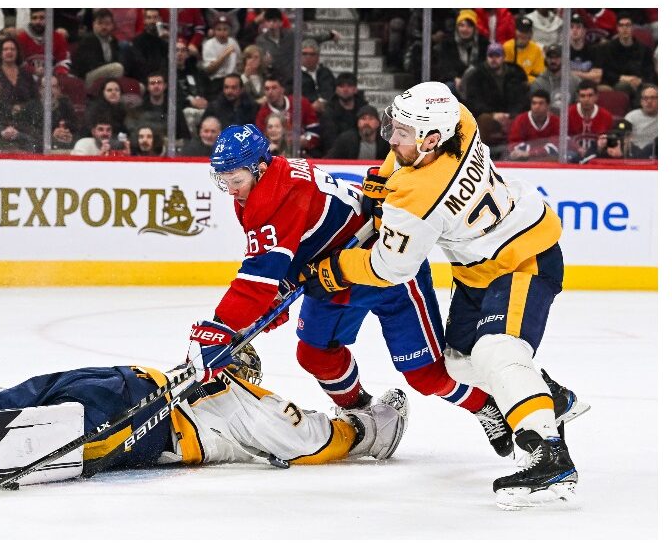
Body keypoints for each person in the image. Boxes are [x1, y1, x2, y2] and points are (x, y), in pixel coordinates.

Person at [300, 81, 584, 509]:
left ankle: (549, 454)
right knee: (458, 362)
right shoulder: (461, 122)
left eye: (402, 133)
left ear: (431, 140)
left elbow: (390, 268)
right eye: (394, 128)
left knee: (496, 350)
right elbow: (406, 151)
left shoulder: (416, 197)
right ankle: (551, 396)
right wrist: (384, 177)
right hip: (478, 269)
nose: (392, 140)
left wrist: (336, 268)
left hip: (523, 257)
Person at [197, 123, 541, 466]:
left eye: (236, 180)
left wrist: (220, 328)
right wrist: (272, 298)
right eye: (223, 181)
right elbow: (285, 255)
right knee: (315, 354)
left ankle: (485, 405)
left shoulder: (280, 195)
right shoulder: (260, 189)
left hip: (387, 271)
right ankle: (362, 412)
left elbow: (257, 280)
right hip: (331, 276)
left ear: (260, 167)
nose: (230, 190)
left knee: (427, 376)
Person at [0, 349, 410, 494]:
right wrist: (368, 429)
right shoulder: (255, 405)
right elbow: (312, 440)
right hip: (145, 418)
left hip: (122, 379)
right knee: (30, 438)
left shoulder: (214, 378)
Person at [463, 42, 529, 157]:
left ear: (503, 57)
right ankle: (478, 156)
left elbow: (522, 100)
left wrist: (510, 115)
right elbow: (473, 101)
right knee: (484, 120)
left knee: (522, 119)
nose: (494, 59)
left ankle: (519, 154)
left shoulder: (515, 74)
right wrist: (493, 114)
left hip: (511, 116)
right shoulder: (476, 75)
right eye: (491, 56)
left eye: (497, 56)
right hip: (488, 116)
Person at [255, 77, 321, 157]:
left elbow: (314, 133)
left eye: (274, 88)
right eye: (267, 89)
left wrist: (305, 140)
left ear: (282, 89)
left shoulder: (301, 103)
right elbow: (259, 140)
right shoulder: (262, 113)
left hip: (304, 152)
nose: (270, 92)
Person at [599, 12, 655, 102]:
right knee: (623, 86)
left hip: (640, 83)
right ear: (617, 28)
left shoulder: (644, 49)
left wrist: (640, 80)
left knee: (651, 89)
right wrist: (623, 78)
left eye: (628, 25)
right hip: (618, 83)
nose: (624, 28)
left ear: (632, 27)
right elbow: (606, 73)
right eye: (621, 25)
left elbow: (650, 72)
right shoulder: (608, 48)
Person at [432, 9, 487, 97]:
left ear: (474, 28)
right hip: (455, 81)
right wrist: (455, 78)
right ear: (457, 27)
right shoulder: (447, 43)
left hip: (477, 81)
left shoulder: (483, 43)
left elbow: (484, 66)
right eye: (462, 25)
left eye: (469, 26)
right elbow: (444, 67)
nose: (465, 29)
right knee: (448, 88)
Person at [22, 75, 82, 152]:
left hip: (64, 147)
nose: (50, 90)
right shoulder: (30, 107)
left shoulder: (65, 105)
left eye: (54, 87)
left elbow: (77, 129)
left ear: (59, 90)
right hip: (39, 149)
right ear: (40, 90)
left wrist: (70, 136)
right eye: (46, 87)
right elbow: (26, 131)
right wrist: (51, 135)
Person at [126, 70, 191, 140]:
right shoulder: (139, 108)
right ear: (148, 87)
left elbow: (184, 135)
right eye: (152, 83)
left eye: (159, 83)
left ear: (165, 86)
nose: (156, 86)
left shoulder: (174, 109)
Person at [73, 8, 125, 86]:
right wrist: (112, 64)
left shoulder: (113, 40)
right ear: (93, 24)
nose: (104, 27)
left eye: (107, 24)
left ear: (112, 26)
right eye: (100, 23)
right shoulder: (88, 39)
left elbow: (118, 59)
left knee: (139, 86)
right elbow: (92, 65)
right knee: (117, 68)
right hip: (86, 77)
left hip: (106, 73)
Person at [14, 8, 71, 78]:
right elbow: (18, 61)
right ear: (30, 20)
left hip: (53, 79)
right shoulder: (21, 38)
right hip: (27, 78)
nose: (38, 21)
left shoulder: (58, 37)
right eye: (34, 18)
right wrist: (33, 70)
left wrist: (57, 73)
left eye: (42, 18)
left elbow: (64, 60)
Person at [507, 89, 560, 161]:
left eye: (541, 103)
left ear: (548, 105)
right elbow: (514, 143)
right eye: (534, 103)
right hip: (524, 160)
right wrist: (537, 152)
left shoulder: (556, 121)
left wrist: (531, 153)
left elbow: (556, 145)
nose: (537, 106)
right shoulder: (520, 120)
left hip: (548, 160)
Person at [568, 80, 614, 160]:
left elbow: (609, 143)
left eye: (590, 95)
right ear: (578, 97)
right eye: (582, 96)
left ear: (596, 96)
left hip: (597, 156)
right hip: (572, 156)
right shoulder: (568, 113)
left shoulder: (606, 116)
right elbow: (563, 140)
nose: (586, 99)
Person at [200, 14, 240, 100]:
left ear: (230, 30)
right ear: (214, 31)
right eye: (219, 29)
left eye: (225, 29)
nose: (222, 32)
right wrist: (224, 55)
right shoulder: (208, 44)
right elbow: (209, 70)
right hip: (217, 81)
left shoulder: (233, 42)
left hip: (234, 78)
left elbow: (239, 63)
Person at [530, 44, 579, 114]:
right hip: (547, 119)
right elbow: (537, 109)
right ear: (546, 59)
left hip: (570, 118)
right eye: (550, 57)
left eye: (557, 57)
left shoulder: (575, 81)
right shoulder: (538, 83)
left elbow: (579, 107)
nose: (553, 61)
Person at [324, 72, 369, 138]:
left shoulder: (364, 109)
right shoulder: (329, 110)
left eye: (349, 86)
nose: (345, 90)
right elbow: (329, 137)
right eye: (341, 86)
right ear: (336, 90)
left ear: (355, 90)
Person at [503, 16, 544, 83]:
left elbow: (539, 73)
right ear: (515, 31)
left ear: (531, 34)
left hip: (529, 84)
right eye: (521, 31)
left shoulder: (536, 49)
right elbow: (504, 72)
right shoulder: (507, 47)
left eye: (526, 32)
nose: (523, 35)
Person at [299, 39, 335, 114]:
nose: (308, 57)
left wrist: (322, 101)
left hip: (326, 110)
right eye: (304, 54)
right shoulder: (294, 74)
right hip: (304, 112)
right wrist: (310, 106)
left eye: (312, 54)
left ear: (318, 56)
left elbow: (331, 90)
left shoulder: (325, 72)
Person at [568, 13, 604, 85]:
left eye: (578, 27)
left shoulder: (595, 50)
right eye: (571, 27)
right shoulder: (563, 51)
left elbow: (597, 79)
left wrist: (572, 73)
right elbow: (559, 75)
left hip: (589, 87)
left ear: (584, 31)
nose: (574, 30)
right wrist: (588, 75)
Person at [624, 84, 657, 158]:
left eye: (653, 98)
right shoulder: (631, 117)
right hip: (635, 155)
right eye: (645, 98)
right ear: (641, 101)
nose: (649, 101)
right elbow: (625, 141)